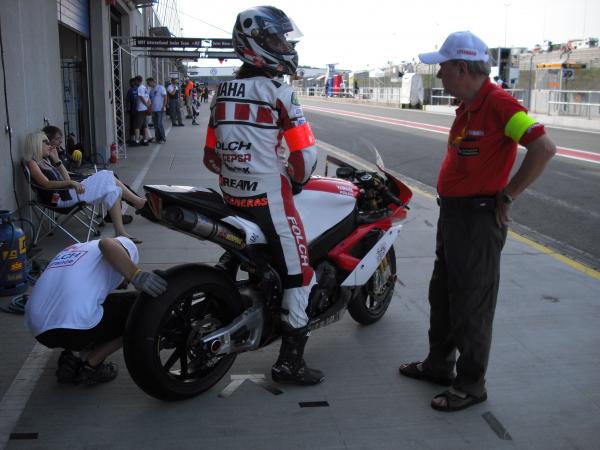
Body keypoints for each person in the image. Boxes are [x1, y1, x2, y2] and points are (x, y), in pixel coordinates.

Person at [398, 31, 556, 412]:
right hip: (454, 217)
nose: (439, 77)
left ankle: (470, 384)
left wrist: (509, 194)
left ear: (462, 68)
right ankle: (439, 365)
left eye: (443, 68)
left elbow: (543, 147)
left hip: (478, 219)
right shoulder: (469, 106)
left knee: (472, 304)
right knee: (443, 296)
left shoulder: (499, 104)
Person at [203, 6, 322, 386]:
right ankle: (290, 362)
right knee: (301, 273)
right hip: (270, 200)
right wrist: (294, 178)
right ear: (254, 43)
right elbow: (304, 156)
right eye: (276, 39)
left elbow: (209, 156)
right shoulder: (280, 92)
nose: (284, 46)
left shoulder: (220, 93)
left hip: (230, 198)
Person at [25, 237, 167, 385]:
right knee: (140, 309)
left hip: (40, 331)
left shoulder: (73, 250)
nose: (124, 285)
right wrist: (135, 274)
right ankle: (92, 365)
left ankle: (73, 357)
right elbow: (106, 243)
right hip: (75, 327)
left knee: (89, 308)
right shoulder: (126, 246)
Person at [23, 131, 146, 243]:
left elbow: (66, 178)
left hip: (68, 193)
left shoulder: (45, 161)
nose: (49, 145)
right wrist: (71, 183)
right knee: (106, 175)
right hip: (61, 199)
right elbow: (46, 184)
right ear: (36, 144)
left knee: (112, 191)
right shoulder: (32, 163)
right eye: (46, 142)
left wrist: (57, 161)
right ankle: (137, 202)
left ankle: (121, 232)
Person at [133, 75, 151, 146]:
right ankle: (145, 140)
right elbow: (148, 98)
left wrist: (145, 104)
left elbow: (141, 97)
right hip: (145, 109)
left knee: (137, 126)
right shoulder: (145, 88)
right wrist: (148, 105)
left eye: (135, 81)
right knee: (145, 125)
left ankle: (137, 141)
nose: (135, 82)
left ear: (137, 81)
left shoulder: (140, 88)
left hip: (140, 109)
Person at [147, 77, 167, 143]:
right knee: (155, 125)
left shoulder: (161, 88)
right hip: (153, 110)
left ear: (152, 81)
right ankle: (157, 138)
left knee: (159, 124)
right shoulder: (151, 90)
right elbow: (149, 100)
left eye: (148, 82)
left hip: (160, 109)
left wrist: (163, 106)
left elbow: (165, 97)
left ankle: (162, 138)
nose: (148, 84)